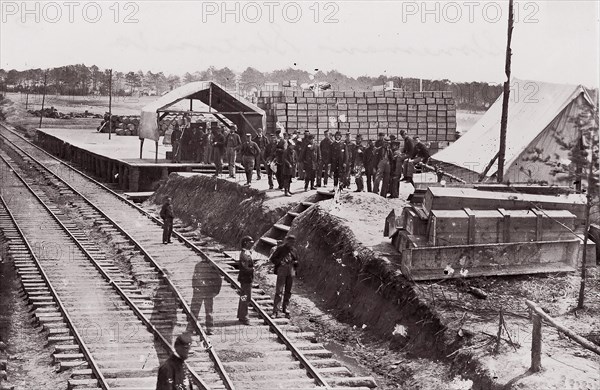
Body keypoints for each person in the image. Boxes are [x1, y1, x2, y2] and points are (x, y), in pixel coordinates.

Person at [187, 260, 222, 336]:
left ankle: (209, 328)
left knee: (208, 311)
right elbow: (195, 278)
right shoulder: (199, 265)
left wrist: (215, 291)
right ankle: (191, 328)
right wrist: (195, 287)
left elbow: (218, 280)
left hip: (207, 291)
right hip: (200, 291)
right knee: (195, 310)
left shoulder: (212, 266)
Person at [270, 234, 299, 318]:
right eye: (290, 242)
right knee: (279, 291)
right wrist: (280, 262)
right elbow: (273, 259)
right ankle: (275, 311)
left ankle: (285, 308)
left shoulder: (294, 250)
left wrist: (295, 263)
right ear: (287, 241)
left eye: (293, 242)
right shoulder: (280, 249)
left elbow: (297, 260)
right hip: (282, 270)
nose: (292, 244)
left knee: (288, 291)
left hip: (291, 271)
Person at [237, 236, 255, 325]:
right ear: (245, 243)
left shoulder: (247, 253)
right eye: (250, 243)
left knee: (245, 297)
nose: (251, 244)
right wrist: (253, 269)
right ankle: (244, 316)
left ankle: (242, 315)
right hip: (245, 279)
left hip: (247, 278)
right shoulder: (244, 254)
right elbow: (244, 267)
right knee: (245, 297)